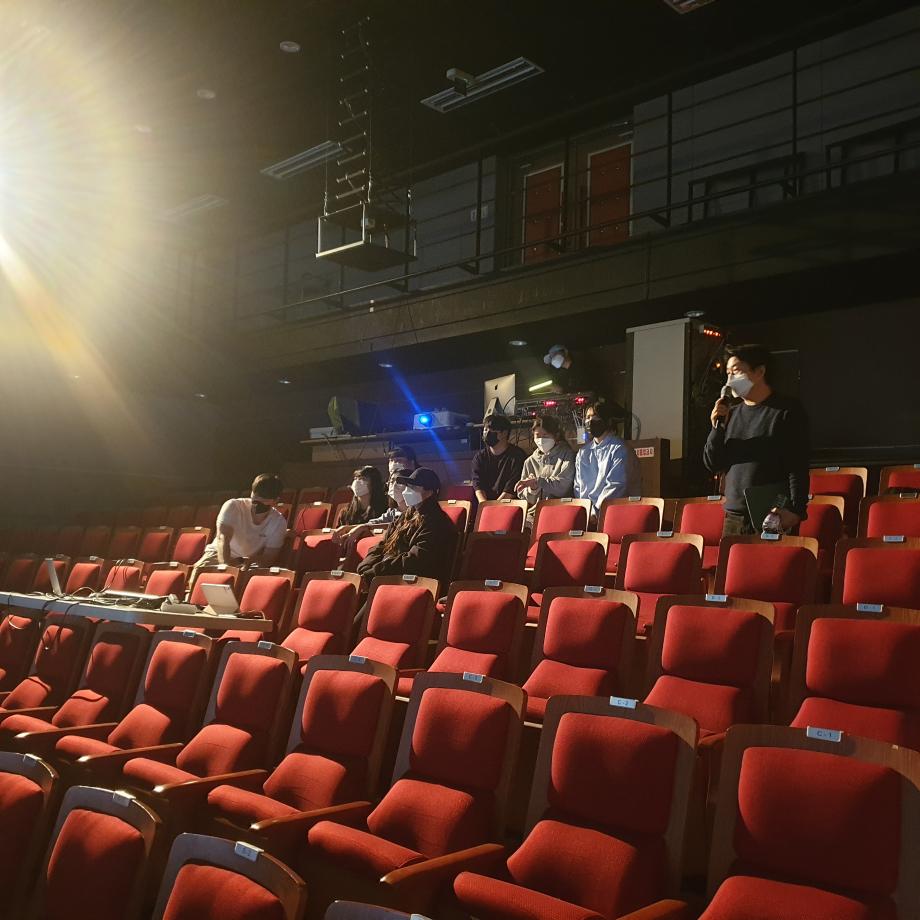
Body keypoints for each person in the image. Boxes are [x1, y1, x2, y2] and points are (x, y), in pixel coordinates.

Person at [704, 343, 809, 535]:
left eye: (736, 372)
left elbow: (797, 465)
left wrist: (796, 510)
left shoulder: (786, 411)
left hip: (772, 514)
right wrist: (716, 428)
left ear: (760, 371)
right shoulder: (731, 414)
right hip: (734, 516)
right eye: (728, 373)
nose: (730, 380)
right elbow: (713, 463)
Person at [357, 467, 457, 588]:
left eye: (413, 487)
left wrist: (374, 572)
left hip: (412, 583)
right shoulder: (405, 516)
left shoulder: (437, 522)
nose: (407, 491)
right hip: (386, 577)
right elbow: (382, 545)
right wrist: (366, 566)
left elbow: (414, 561)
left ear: (429, 492)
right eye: (408, 486)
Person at [194, 473, 287, 572]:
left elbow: (268, 557)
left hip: (246, 562)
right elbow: (223, 538)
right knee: (200, 571)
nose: (258, 501)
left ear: (275, 500)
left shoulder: (278, 522)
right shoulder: (233, 506)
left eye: (264, 498)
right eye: (256, 495)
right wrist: (226, 566)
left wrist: (248, 561)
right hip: (217, 554)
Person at [332, 448, 418, 548]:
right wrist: (353, 528)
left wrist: (363, 527)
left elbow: (396, 525)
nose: (394, 486)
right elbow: (374, 523)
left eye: (363, 479)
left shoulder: (418, 511)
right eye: (391, 482)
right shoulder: (392, 512)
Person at [575, 399, 640, 517]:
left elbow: (616, 486)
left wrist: (595, 512)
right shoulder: (583, 452)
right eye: (587, 417)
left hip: (615, 513)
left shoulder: (620, 449)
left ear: (607, 421)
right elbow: (578, 486)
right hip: (588, 514)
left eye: (595, 417)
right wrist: (584, 510)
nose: (590, 421)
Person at [514, 414, 576, 518]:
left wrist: (538, 482)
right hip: (534, 513)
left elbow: (563, 487)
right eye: (538, 435)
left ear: (556, 436)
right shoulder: (529, 462)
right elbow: (524, 497)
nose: (541, 439)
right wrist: (532, 489)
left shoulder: (567, 455)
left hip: (560, 511)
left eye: (545, 435)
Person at [472, 414, 527, 503]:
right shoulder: (480, 457)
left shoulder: (518, 456)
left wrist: (495, 506)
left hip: (509, 504)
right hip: (485, 505)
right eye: (485, 430)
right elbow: (478, 484)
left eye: (492, 430)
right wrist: (484, 504)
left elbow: (512, 488)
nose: (487, 433)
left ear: (504, 433)